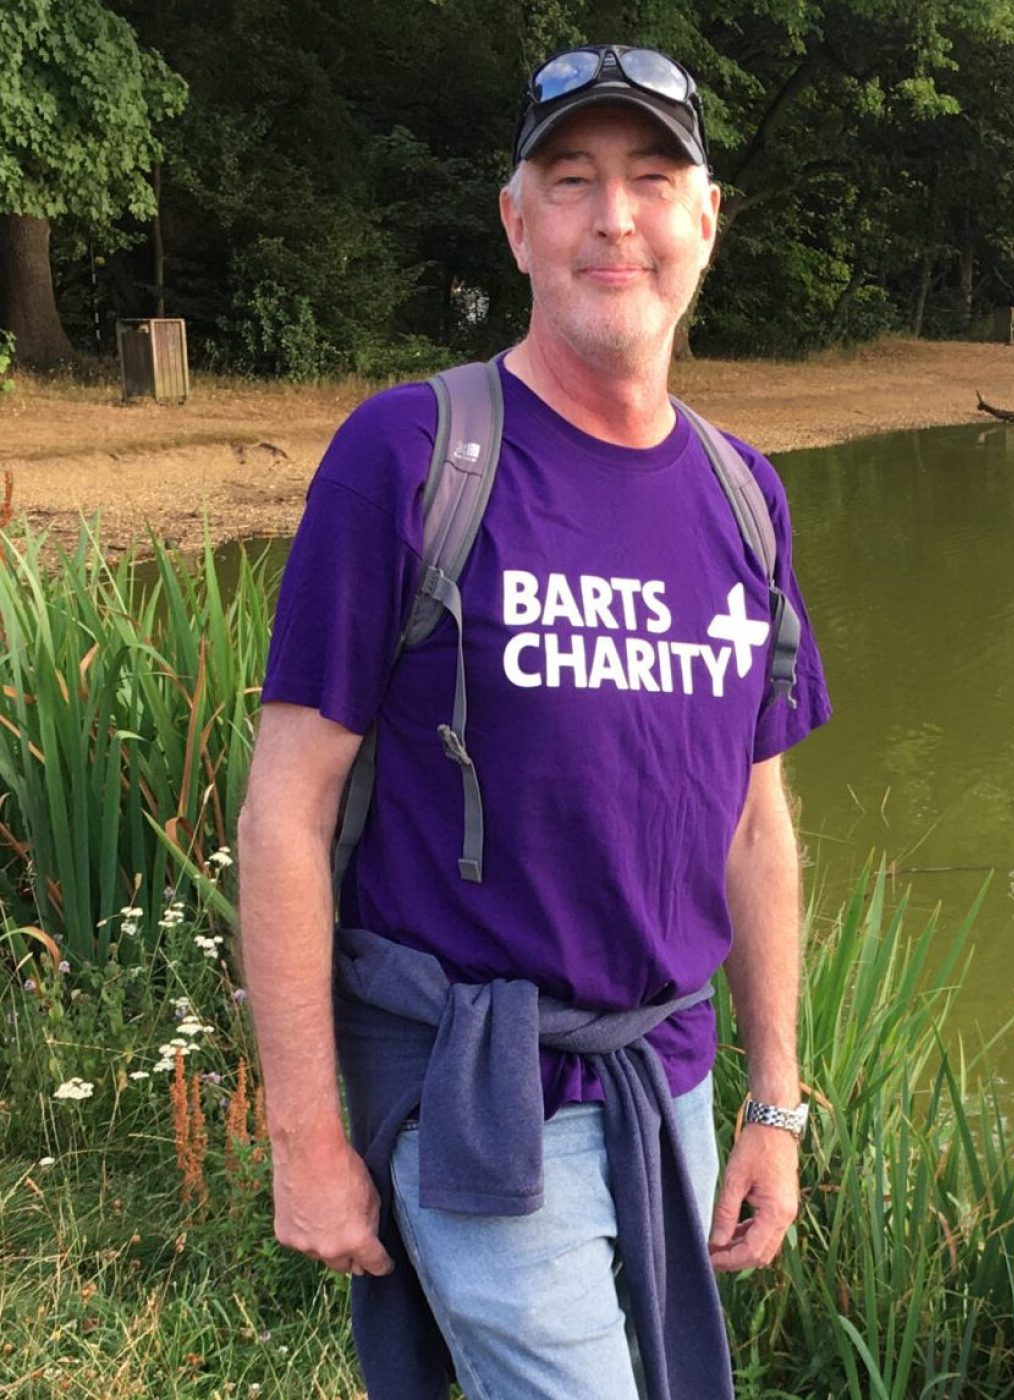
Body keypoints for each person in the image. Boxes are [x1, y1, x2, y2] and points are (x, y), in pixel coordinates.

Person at [236, 41, 831, 1400]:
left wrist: (775, 1102)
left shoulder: (745, 499)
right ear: (517, 223)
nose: (613, 216)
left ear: (706, 220)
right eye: (571, 180)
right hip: (479, 1089)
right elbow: (285, 811)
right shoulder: (409, 455)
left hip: (671, 1082)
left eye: (650, 178)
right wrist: (305, 1134)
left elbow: (756, 820)